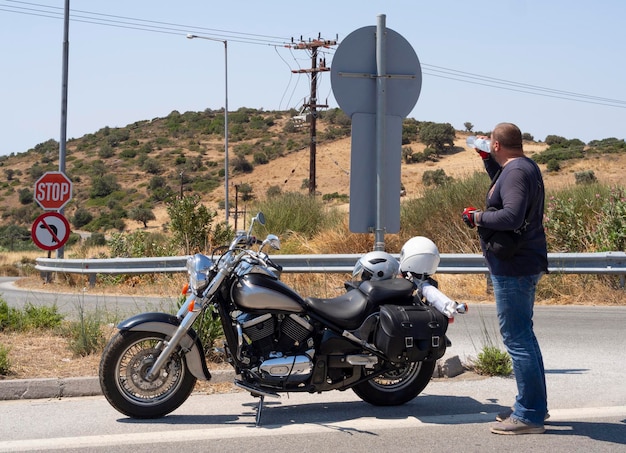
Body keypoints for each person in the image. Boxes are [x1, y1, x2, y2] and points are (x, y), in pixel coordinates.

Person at [462, 122, 549, 435]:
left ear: (497, 145)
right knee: (523, 335)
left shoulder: (515, 172)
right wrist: (487, 160)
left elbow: (511, 216)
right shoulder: (522, 168)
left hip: (515, 265)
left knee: (516, 338)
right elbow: (508, 193)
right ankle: (533, 406)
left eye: (490, 147)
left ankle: (529, 415)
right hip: (524, 261)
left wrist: (476, 217)